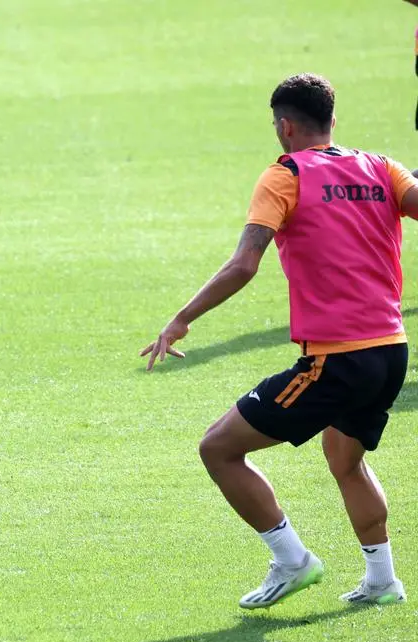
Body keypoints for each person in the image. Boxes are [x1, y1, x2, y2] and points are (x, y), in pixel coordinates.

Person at [142, 73, 418, 609]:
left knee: (218, 449)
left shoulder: (284, 175)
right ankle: (383, 581)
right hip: (391, 351)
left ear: (284, 126)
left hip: (336, 359)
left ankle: (293, 561)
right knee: (345, 458)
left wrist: (181, 318)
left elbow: (245, 264)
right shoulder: (381, 167)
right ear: (332, 121)